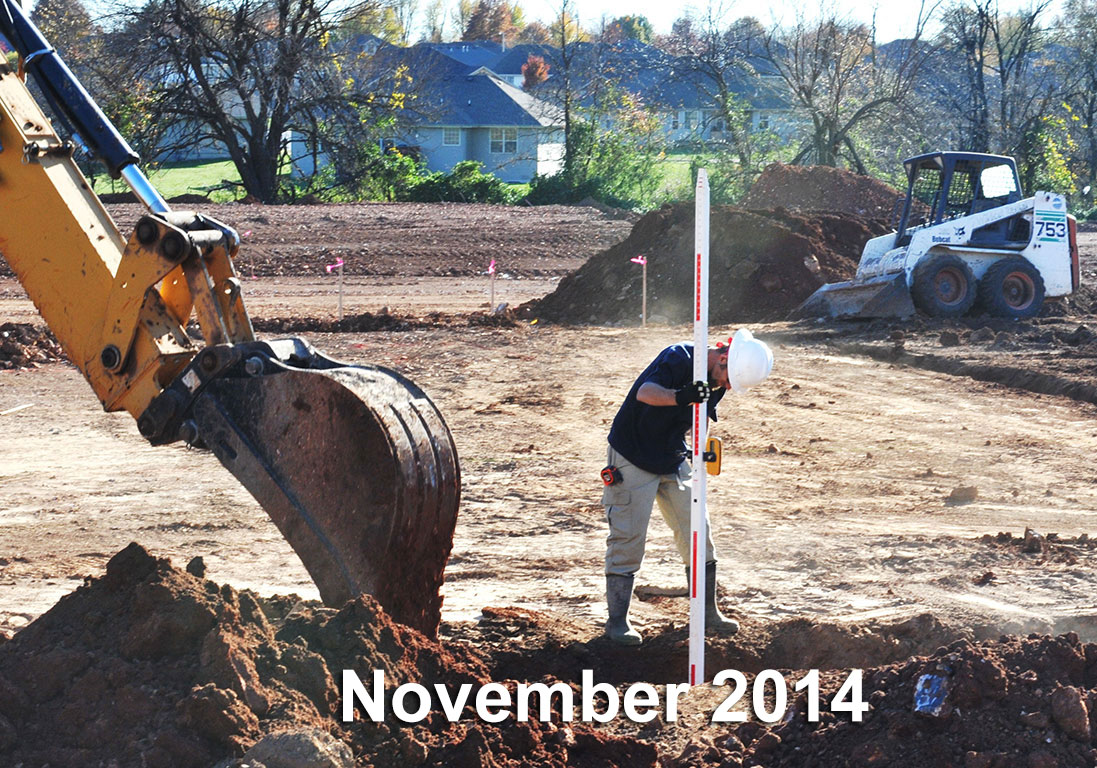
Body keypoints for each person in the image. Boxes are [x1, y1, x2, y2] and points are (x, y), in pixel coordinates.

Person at [601, 329, 773, 646]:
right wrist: (681, 396)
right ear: (723, 358)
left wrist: (699, 447)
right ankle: (617, 623)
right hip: (633, 453)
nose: (726, 387)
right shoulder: (678, 357)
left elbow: (703, 413)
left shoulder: (717, 379)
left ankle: (707, 612)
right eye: (727, 379)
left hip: (672, 455)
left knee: (697, 530)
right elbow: (646, 392)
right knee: (628, 535)